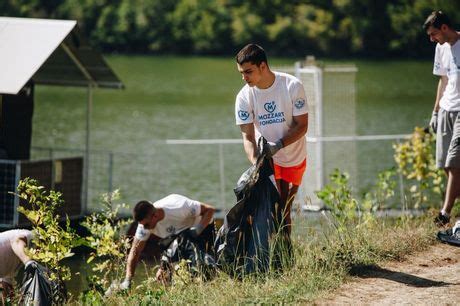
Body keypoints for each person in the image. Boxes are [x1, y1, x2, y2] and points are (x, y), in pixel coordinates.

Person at [234, 43, 308, 233]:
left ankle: (285, 256)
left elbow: (303, 126)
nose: (244, 78)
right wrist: (256, 164)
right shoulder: (244, 96)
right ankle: (271, 257)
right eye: (241, 73)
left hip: (293, 157)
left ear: (263, 66)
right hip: (268, 160)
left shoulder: (292, 85)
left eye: (248, 72)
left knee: (284, 209)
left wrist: (280, 144)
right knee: (270, 210)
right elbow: (248, 137)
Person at [121, 194, 215, 288]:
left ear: (155, 216)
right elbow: (135, 251)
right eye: (142, 225)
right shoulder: (143, 226)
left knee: (200, 267)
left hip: (202, 229)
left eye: (146, 225)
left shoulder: (179, 207)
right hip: (178, 238)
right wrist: (128, 279)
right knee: (163, 276)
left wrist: (197, 231)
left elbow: (209, 209)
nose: (144, 228)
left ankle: (207, 282)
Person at [423, 11, 460, 226]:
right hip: (446, 109)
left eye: (434, 33)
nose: (432, 39)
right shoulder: (440, 48)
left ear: (445, 28)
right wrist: (436, 111)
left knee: (455, 164)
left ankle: (444, 214)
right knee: (446, 166)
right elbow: (443, 81)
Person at [0, 229, 35, 303]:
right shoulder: (5, 268)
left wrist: (28, 262)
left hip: (27, 238)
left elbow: (17, 240)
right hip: (17, 251)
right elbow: (6, 285)